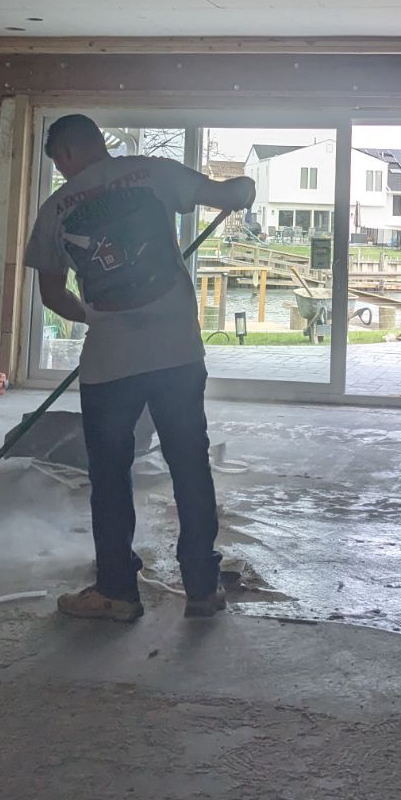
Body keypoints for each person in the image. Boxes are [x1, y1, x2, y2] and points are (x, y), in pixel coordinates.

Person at [24, 114, 255, 623]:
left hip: (110, 363)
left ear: (62, 154)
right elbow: (227, 195)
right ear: (99, 143)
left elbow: (51, 294)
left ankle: (117, 592)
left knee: (110, 477)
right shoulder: (153, 171)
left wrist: (96, 317)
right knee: (189, 465)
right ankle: (201, 587)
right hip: (176, 352)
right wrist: (245, 187)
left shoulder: (53, 211)